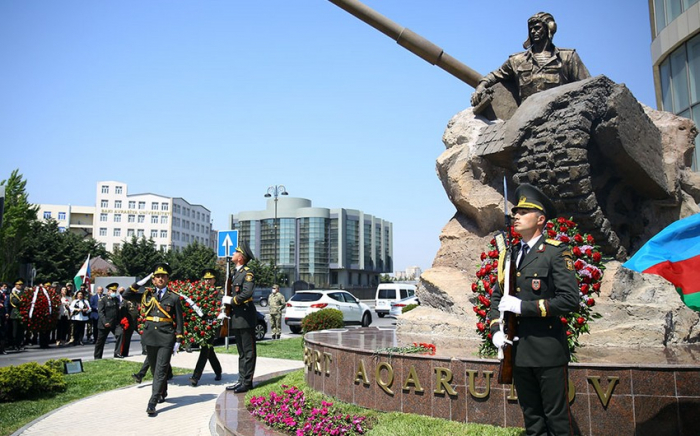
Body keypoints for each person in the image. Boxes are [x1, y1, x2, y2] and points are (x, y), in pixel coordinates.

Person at [488, 183, 579, 436]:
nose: (515, 216)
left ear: (540, 219)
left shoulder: (555, 252)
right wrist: (496, 330)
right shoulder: (510, 254)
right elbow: (497, 298)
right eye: (515, 212)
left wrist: (523, 307)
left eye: (523, 212)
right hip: (517, 351)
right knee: (532, 420)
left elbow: (570, 300)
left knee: (557, 419)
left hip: (546, 349)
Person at [471, 12, 590, 108]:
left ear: (550, 28)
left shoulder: (568, 57)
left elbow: (588, 86)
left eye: (537, 28)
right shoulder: (517, 60)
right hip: (527, 119)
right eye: (531, 29)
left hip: (559, 116)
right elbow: (494, 75)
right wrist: (481, 86)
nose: (533, 31)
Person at [123, 263, 183, 416]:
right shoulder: (147, 295)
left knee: (161, 370)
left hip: (166, 337)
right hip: (150, 336)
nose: (160, 279)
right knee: (155, 369)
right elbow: (126, 295)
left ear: (167, 278)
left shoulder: (174, 297)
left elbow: (180, 320)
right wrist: (141, 282)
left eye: (163, 276)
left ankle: (152, 401)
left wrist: (178, 339)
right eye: (157, 276)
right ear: (153, 279)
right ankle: (162, 392)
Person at [223, 243, 257, 393]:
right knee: (241, 352)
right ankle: (241, 380)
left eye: (236, 252)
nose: (233, 254)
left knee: (248, 351)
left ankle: (247, 382)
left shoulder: (248, 273)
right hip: (237, 316)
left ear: (241, 258)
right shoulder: (235, 273)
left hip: (245, 315)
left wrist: (231, 301)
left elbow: (247, 293)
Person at [189, 268, 223, 387]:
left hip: (211, 325)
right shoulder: (199, 291)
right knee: (209, 350)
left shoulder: (218, 293)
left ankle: (195, 377)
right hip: (200, 324)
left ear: (214, 280)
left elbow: (219, 308)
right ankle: (218, 370)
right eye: (206, 279)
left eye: (210, 279)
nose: (208, 281)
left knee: (205, 349)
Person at [94, 283, 124, 359]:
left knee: (120, 334)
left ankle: (117, 353)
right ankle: (97, 357)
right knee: (100, 341)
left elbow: (117, 311)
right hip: (104, 324)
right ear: (108, 291)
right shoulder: (102, 300)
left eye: (115, 290)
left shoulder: (116, 299)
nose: (114, 292)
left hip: (114, 323)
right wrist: (105, 322)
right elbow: (100, 312)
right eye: (112, 290)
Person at [116, 286, 138, 357]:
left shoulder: (137, 300)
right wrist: (124, 322)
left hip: (138, 322)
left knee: (144, 336)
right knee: (127, 339)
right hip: (129, 322)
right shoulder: (126, 301)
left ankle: (145, 351)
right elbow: (123, 311)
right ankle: (124, 353)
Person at [6, 279, 26, 351]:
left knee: (21, 330)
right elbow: (15, 302)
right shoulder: (13, 293)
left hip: (22, 313)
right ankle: (13, 344)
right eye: (19, 285)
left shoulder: (23, 292)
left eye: (21, 285)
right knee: (15, 330)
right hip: (15, 313)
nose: (20, 286)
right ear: (15, 285)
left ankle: (19, 343)